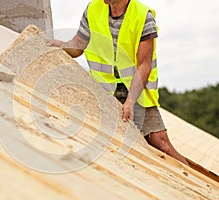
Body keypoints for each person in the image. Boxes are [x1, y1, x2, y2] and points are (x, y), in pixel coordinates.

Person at [47, 0, 188, 165]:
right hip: (105, 90)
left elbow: (144, 65)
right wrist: (62, 45)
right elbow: (78, 45)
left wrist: (130, 101)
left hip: (137, 91)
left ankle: (198, 187)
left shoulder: (143, 16)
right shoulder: (93, 9)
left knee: (160, 143)